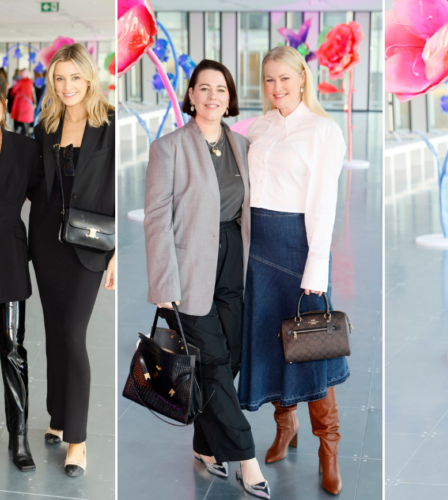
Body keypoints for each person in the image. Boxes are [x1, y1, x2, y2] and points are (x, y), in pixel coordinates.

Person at [144, 59, 270, 499]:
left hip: (232, 256)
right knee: (213, 359)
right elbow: (157, 220)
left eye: (221, 89)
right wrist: (164, 286)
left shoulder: (242, 144)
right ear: (191, 95)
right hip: (187, 270)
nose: (212, 96)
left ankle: (204, 444)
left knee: (229, 356)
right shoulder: (169, 148)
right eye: (204, 88)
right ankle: (246, 458)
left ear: (229, 98)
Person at [238, 45, 350, 496]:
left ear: (302, 77)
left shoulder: (323, 130)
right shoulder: (258, 127)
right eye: (269, 79)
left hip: (298, 247)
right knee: (271, 341)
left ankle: (329, 448)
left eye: (285, 78)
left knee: (313, 347)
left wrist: (316, 268)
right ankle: (285, 426)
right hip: (258, 247)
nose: (277, 87)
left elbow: (324, 203)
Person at [28, 43, 115, 477]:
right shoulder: (45, 125)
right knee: (53, 333)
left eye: (75, 78)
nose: (67, 86)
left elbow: (117, 189)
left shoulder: (109, 124)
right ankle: (58, 416)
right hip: (47, 242)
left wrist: (117, 252)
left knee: (73, 334)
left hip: (90, 244)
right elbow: (32, 184)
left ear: (89, 78)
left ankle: (77, 440)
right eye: (59, 78)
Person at [0, 76, 43, 472]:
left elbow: (44, 200)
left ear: (2, 105)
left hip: (8, 259)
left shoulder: (25, 149)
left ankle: (19, 437)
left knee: (12, 348)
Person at [9, 69, 34, 136]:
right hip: (28, 108)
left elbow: (13, 91)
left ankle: (18, 136)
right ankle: (26, 136)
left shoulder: (20, 82)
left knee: (18, 125)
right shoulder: (31, 82)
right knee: (26, 128)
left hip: (19, 107)